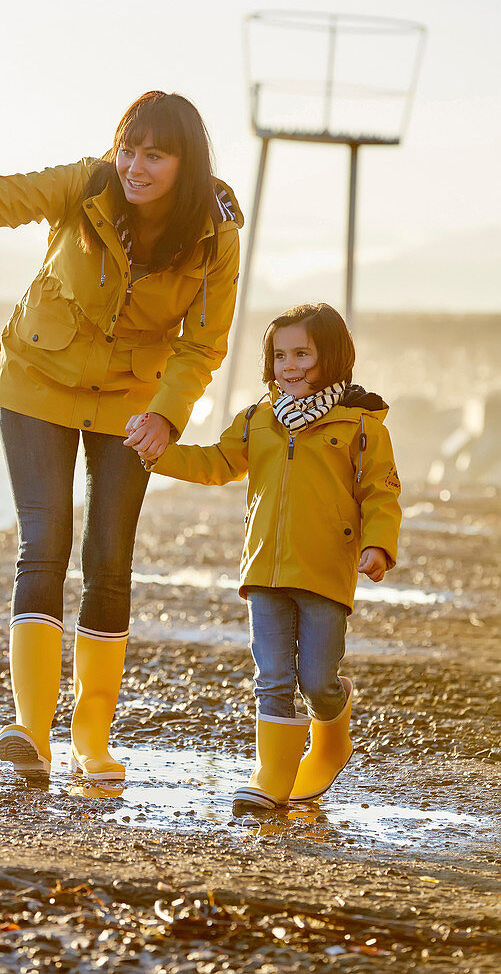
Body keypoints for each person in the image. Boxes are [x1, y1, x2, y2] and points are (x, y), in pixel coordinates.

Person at [0, 91, 243, 781]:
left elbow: (202, 345)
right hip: (38, 380)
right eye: (128, 148)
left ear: (186, 162)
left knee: (109, 555)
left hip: (130, 403)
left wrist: (167, 415)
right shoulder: (89, 184)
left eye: (154, 154)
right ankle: (31, 730)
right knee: (45, 541)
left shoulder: (215, 231)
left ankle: (92, 738)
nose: (134, 166)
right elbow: (17, 195)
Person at [131, 302, 401, 811]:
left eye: (303, 353)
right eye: (280, 355)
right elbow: (215, 462)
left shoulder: (362, 428)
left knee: (317, 680)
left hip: (324, 573)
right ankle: (273, 775)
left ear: (333, 357)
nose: (290, 366)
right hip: (263, 572)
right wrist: (157, 452)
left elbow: (381, 494)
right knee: (273, 678)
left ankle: (334, 726)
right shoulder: (258, 420)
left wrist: (377, 545)